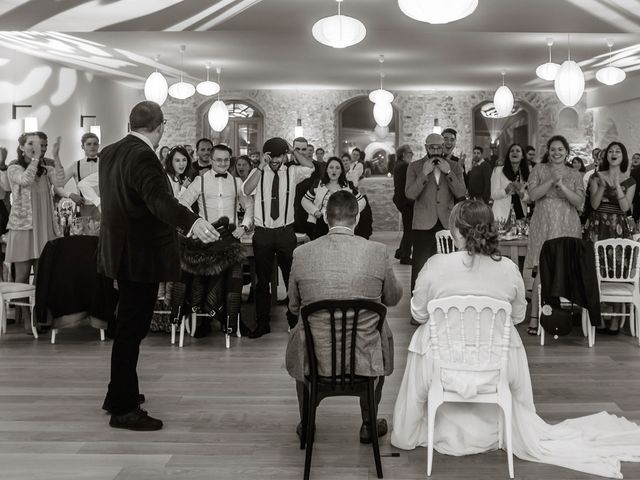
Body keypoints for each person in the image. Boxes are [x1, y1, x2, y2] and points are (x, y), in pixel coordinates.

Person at [391, 200, 640, 478]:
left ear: (457, 231)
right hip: (495, 364)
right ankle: (498, 426)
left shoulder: (436, 265)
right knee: (507, 335)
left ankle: (409, 429)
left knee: (424, 336)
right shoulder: (508, 268)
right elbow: (519, 315)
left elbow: (418, 313)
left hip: (442, 365)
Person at [99, 101, 218, 431]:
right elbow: (158, 201)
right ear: (161, 125)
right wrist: (191, 221)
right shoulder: (142, 156)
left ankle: (117, 393)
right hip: (140, 255)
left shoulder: (110, 152)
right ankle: (123, 408)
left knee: (126, 326)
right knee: (131, 330)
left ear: (130, 123)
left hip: (119, 252)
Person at [286, 190, 402, 443]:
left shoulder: (302, 253)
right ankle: (369, 423)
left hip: (315, 357)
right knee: (380, 334)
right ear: (357, 218)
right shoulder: (377, 251)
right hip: (364, 354)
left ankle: (307, 423)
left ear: (326, 219)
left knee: (300, 335)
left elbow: (294, 306)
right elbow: (392, 299)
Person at [242, 137, 314, 338]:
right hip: (263, 233)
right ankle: (262, 323)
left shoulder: (292, 172)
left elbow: (310, 166)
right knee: (262, 281)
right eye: (271, 157)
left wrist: (292, 150)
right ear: (266, 156)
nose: (275, 160)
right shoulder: (258, 174)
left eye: (278, 156)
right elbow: (246, 190)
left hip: (285, 232)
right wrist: (261, 166)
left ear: (284, 156)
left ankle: (293, 321)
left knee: (290, 279)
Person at [6, 133, 65, 333]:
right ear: (22, 147)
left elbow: (61, 182)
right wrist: (36, 158)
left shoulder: (45, 169)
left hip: (44, 228)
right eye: (30, 143)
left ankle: (40, 315)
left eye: (39, 144)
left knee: (42, 276)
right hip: (24, 228)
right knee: (21, 276)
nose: (36, 147)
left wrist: (56, 156)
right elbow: (25, 180)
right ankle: (24, 316)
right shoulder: (14, 168)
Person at [525, 135, 584, 335]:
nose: (556, 153)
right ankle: (534, 319)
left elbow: (578, 202)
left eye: (560, 149)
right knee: (542, 270)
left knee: (565, 268)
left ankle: (563, 317)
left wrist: (563, 186)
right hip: (543, 223)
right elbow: (532, 196)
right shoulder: (538, 169)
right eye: (553, 149)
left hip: (567, 223)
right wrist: (551, 180)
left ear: (567, 152)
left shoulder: (575, 174)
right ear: (548, 152)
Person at [405, 133, 467, 297]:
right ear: (426, 147)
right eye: (432, 147)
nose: (436, 150)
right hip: (423, 224)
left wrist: (448, 173)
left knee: (448, 267)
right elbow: (410, 195)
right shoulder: (415, 167)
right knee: (420, 267)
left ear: (443, 147)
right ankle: (417, 307)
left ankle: (447, 301)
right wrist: (424, 174)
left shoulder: (454, 167)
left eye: (439, 147)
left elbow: (462, 193)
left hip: (447, 223)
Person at [301, 156, 365, 239]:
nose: (334, 170)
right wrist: (315, 211)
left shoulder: (348, 185)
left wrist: (351, 212)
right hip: (321, 223)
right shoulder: (318, 184)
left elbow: (362, 201)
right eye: (331, 167)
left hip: (343, 224)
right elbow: (305, 200)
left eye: (337, 168)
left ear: (341, 171)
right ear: (327, 170)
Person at [54, 132, 100, 218]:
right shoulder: (76, 165)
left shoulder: (106, 164)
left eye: (95, 144)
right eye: (89, 144)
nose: (92, 146)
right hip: (83, 208)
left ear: (98, 145)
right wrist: (71, 195)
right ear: (82, 147)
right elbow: (57, 186)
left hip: (102, 208)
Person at [490, 143, 530, 222]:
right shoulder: (498, 170)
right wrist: (507, 190)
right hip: (502, 216)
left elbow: (529, 198)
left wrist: (520, 192)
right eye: (512, 151)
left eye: (518, 151)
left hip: (520, 215)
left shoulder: (526, 173)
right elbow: (493, 195)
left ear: (522, 156)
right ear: (508, 155)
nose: (514, 152)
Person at [392, 144, 415, 264]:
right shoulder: (405, 166)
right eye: (410, 152)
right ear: (403, 154)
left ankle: (401, 252)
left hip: (401, 200)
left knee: (408, 228)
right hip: (406, 201)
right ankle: (405, 256)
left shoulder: (399, 165)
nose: (412, 154)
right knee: (409, 229)